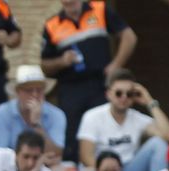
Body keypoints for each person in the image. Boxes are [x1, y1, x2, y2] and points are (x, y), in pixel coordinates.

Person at [38, 0, 137, 145]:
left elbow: (129, 37)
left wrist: (116, 64)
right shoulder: (52, 24)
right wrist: (62, 61)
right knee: (72, 133)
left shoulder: (100, 9)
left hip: (100, 84)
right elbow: (44, 66)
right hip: (71, 88)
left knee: (104, 128)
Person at [76, 68, 169, 171]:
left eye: (129, 94)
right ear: (108, 94)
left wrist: (150, 101)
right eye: (118, 93)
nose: (124, 97)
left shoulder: (138, 118)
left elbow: (168, 135)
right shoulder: (92, 116)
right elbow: (86, 157)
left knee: (158, 143)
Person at [0, 65, 68, 157]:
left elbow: (55, 154)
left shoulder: (56, 115)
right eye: (29, 90)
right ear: (18, 92)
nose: (35, 94)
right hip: (10, 168)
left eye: (39, 90)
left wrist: (37, 125)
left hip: (45, 167)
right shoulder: (3, 112)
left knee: (59, 169)